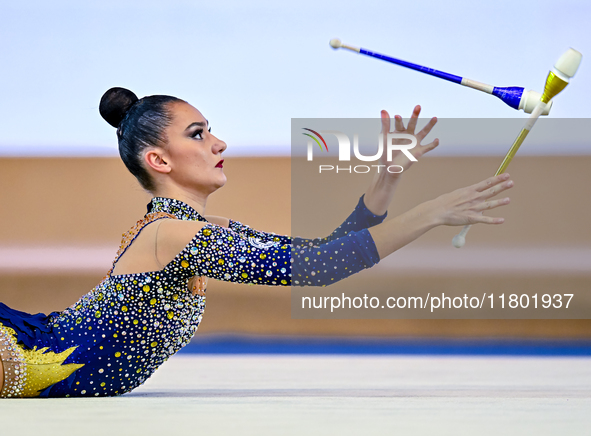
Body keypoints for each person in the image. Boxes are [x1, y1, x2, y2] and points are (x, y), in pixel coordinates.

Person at [0, 88, 513, 398]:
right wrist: (431, 213)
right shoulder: (176, 235)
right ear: (159, 160)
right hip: (18, 357)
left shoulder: (193, 230)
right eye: (198, 134)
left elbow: (323, 254)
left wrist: (385, 182)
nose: (219, 143)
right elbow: (323, 267)